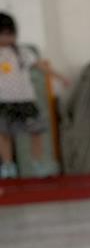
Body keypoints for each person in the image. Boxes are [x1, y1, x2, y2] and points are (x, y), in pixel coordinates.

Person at [0, 12, 61, 179]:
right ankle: (7, 165)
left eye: (9, 34)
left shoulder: (22, 52)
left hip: (25, 100)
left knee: (36, 131)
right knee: (3, 134)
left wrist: (59, 76)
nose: (6, 38)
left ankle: (38, 163)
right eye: (2, 34)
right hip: (3, 101)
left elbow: (40, 65)